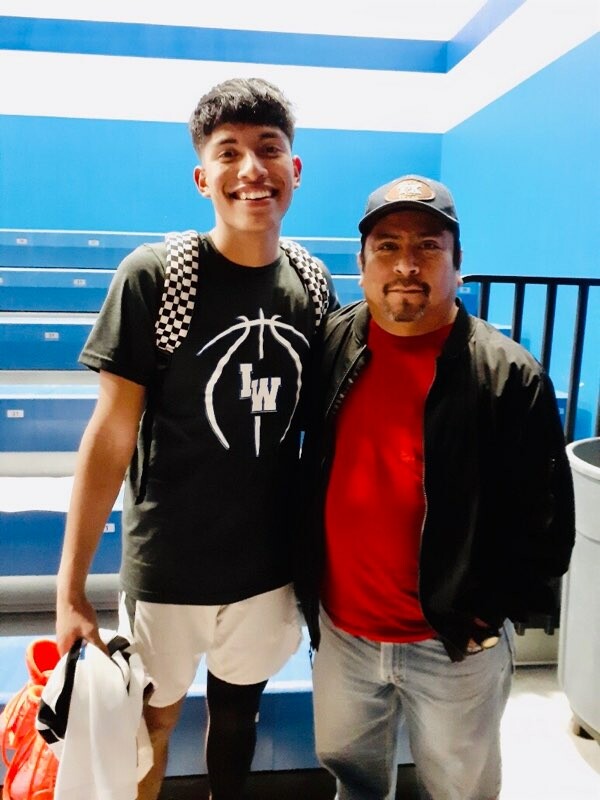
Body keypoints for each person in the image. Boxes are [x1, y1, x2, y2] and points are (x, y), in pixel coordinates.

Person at [55, 77, 338, 800]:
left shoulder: (311, 285)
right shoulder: (153, 277)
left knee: (238, 715)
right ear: (202, 177)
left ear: (295, 168)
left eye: (269, 149)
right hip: (169, 568)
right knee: (151, 721)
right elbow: (109, 437)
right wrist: (71, 590)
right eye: (229, 152)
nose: (252, 169)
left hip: (267, 568)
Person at [296, 174, 575, 800]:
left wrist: (486, 615)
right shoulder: (334, 345)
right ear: (361, 263)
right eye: (388, 246)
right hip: (343, 634)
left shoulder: (506, 375)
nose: (406, 265)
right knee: (354, 782)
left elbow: (546, 522)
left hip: (452, 645)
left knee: (460, 791)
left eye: (428, 246)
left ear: (458, 262)